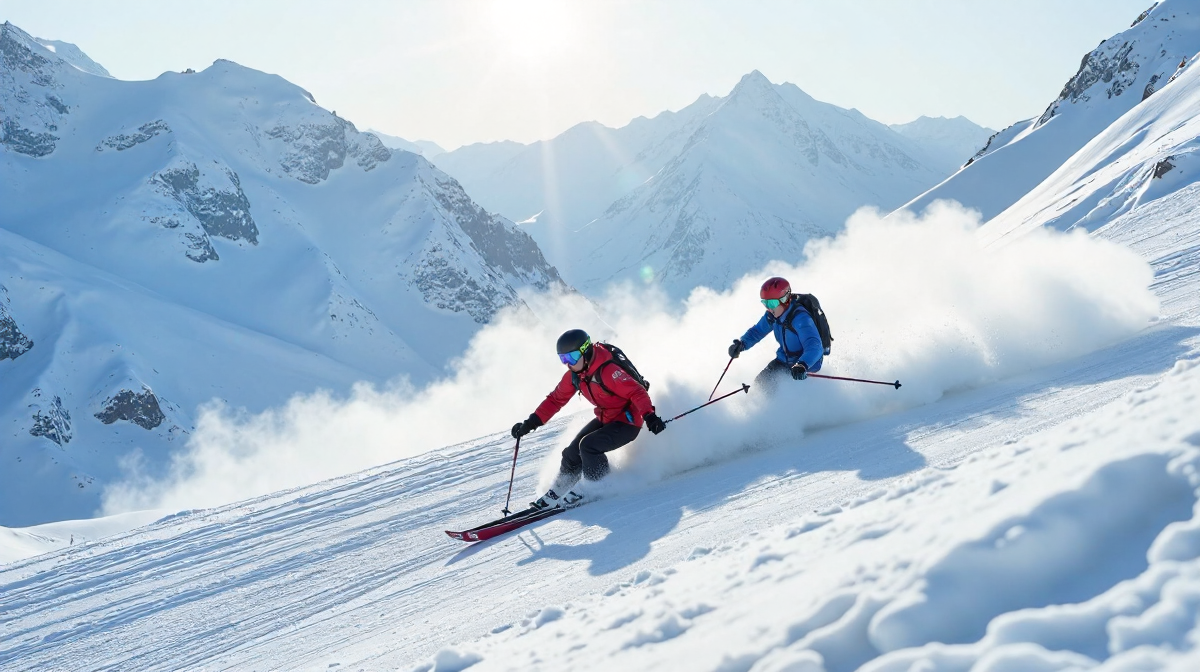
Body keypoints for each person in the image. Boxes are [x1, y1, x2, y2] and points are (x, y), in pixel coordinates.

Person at [511, 329, 667, 509]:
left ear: (585, 351)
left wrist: (649, 416)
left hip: (628, 421)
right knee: (571, 453)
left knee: (588, 446)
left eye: (572, 357)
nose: (568, 364)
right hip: (606, 417)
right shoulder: (576, 375)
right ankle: (559, 489)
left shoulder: (608, 371)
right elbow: (555, 400)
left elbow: (637, 391)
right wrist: (530, 423)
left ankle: (598, 485)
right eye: (563, 359)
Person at [727, 277, 824, 393]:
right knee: (760, 385)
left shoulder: (801, 319)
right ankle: (754, 403)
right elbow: (757, 331)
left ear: (785, 300)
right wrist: (742, 344)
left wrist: (803, 365)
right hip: (785, 360)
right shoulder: (772, 316)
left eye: (772, 303)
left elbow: (815, 346)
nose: (769, 308)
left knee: (787, 393)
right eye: (765, 303)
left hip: (805, 366)